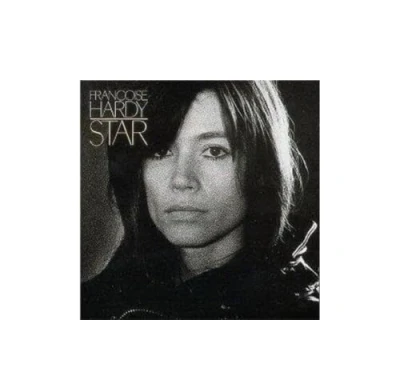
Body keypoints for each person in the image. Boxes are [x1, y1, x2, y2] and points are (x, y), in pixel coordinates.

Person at [81, 81, 319, 320]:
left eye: (214, 151)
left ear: (261, 169)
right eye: (160, 151)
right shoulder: (94, 302)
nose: (181, 180)